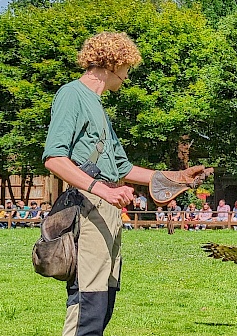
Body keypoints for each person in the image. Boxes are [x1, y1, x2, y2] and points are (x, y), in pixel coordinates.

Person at [41, 32, 209, 336]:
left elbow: (124, 168)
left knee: (105, 300)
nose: (128, 76)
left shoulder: (100, 107)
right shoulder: (72, 95)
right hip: (88, 208)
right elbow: (54, 158)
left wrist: (179, 177)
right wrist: (103, 189)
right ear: (114, 62)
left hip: (108, 210)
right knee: (87, 303)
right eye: (127, 68)